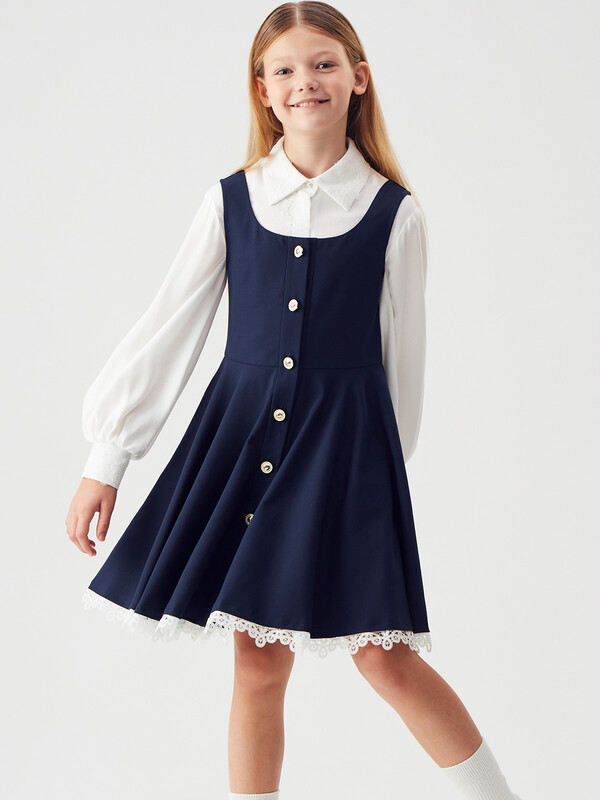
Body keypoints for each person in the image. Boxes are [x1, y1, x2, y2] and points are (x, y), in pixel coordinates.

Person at [65, 3, 525, 799]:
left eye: (322, 64)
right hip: (241, 443)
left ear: (358, 77)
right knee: (256, 663)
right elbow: (171, 324)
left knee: (384, 657)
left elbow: (404, 364)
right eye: (284, 69)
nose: (304, 81)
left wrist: (375, 482)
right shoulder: (232, 200)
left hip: (343, 457)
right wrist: (106, 460)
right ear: (263, 90)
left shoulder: (395, 214)